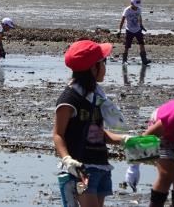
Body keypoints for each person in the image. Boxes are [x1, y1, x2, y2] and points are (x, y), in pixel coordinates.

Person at [53, 40, 128, 207]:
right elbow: (58, 134)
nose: (106, 67)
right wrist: (67, 159)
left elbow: (98, 133)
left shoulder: (96, 96)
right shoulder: (69, 99)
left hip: (101, 165)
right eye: (103, 62)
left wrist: (124, 140)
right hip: (81, 168)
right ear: (93, 69)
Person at [125, 99, 174, 207]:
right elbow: (144, 138)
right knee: (166, 175)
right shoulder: (173, 118)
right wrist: (134, 167)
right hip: (165, 134)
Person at [117, 0, 151, 65]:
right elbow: (122, 20)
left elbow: (139, 17)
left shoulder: (139, 9)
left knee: (142, 44)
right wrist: (119, 30)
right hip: (129, 30)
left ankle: (144, 60)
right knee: (127, 45)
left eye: (137, 5)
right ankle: (124, 60)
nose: (136, 7)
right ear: (131, 3)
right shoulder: (127, 10)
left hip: (138, 29)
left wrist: (141, 25)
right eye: (135, 5)